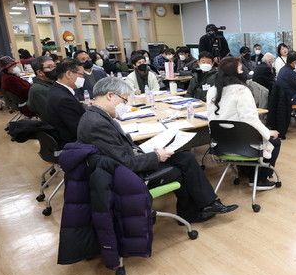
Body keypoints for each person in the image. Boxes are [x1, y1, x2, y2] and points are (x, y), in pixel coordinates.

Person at [78, 77, 238, 223]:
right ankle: (194, 211)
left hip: (122, 164)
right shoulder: (98, 123)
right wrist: (156, 156)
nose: (125, 105)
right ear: (110, 95)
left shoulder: (97, 116)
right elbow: (127, 163)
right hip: (125, 175)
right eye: (124, 100)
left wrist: (148, 151)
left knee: (184, 157)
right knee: (183, 168)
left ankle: (208, 204)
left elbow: (119, 152)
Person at [207, 57, 281, 190]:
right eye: (241, 69)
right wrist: (268, 133)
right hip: (243, 145)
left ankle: (246, 172)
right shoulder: (241, 91)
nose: (244, 71)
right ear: (234, 72)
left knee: (248, 135)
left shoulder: (212, 90)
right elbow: (250, 120)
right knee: (275, 140)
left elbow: (211, 119)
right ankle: (260, 179)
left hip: (221, 145)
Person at [46, 58, 87, 146]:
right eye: (81, 74)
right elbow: (78, 128)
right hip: (73, 142)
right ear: (68, 74)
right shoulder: (64, 99)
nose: (83, 78)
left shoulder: (56, 89)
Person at [27, 55, 57, 122]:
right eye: (50, 67)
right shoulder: (38, 90)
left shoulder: (51, 83)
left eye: (55, 66)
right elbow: (51, 115)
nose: (54, 69)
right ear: (40, 72)